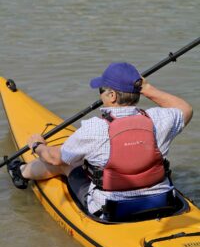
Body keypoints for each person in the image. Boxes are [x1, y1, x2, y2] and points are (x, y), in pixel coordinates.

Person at [7, 62, 193, 219]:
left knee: (68, 163)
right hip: (163, 201)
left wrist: (38, 145)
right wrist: (147, 88)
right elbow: (185, 109)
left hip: (114, 211)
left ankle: (21, 171)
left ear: (112, 96)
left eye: (101, 90)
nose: (99, 94)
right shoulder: (159, 119)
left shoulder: (94, 128)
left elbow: (55, 158)